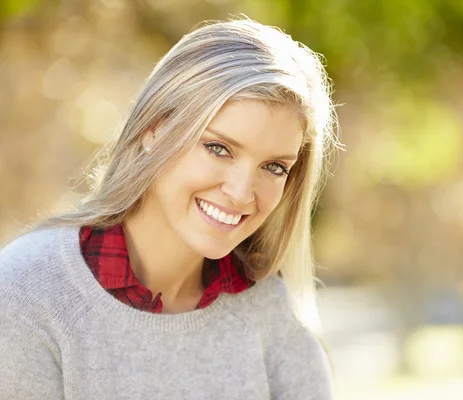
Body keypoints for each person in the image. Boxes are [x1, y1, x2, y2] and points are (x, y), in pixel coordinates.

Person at [0, 18, 340, 400]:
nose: (243, 193)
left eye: (274, 167)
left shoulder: (273, 313)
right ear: (155, 129)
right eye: (219, 148)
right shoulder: (26, 296)